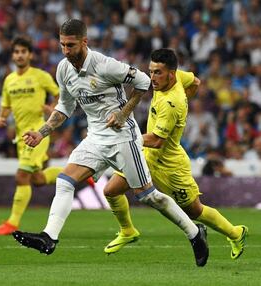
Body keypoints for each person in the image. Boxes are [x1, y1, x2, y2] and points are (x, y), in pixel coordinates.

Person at [12, 19, 208, 267]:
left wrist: (124, 113)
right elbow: (65, 106)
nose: (65, 51)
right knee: (65, 180)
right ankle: (49, 237)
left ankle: (194, 233)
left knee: (148, 196)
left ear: (84, 42)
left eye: (70, 45)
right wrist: (42, 132)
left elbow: (144, 83)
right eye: (62, 45)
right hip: (95, 138)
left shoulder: (106, 66)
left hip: (123, 137)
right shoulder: (63, 69)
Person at [102, 48, 247, 260]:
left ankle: (236, 233)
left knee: (194, 211)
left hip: (169, 164)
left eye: (158, 73)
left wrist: (127, 137)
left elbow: (157, 141)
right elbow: (196, 82)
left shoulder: (171, 103)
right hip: (146, 155)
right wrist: (188, 100)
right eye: (151, 71)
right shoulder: (179, 76)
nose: (152, 77)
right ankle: (127, 231)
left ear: (170, 73)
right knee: (111, 190)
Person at [0, 36, 63, 235]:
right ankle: (74, 175)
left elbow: (59, 94)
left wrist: (54, 109)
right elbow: (5, 106)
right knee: (37, 179)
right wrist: (1, 118)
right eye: (16, 52)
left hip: (38, 132)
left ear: (30, 55)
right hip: (21, 137)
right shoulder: (9, 80)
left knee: (22, 176)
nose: (19, 55)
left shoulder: (40, 76)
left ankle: (12, 223)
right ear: (13, 55)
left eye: (23, 51)